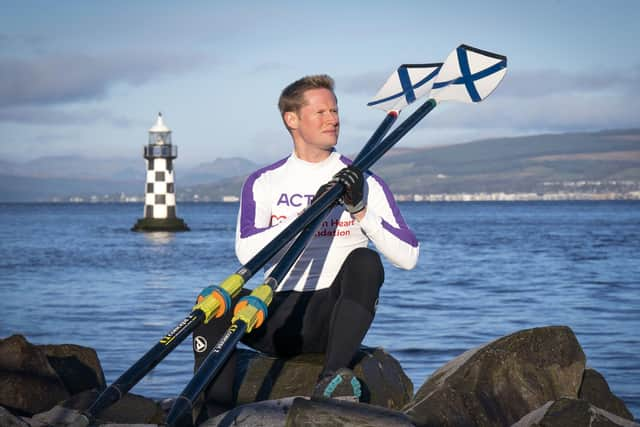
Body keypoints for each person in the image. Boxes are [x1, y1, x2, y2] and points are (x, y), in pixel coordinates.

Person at [192, 74, 419, 418]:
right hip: (277, 313)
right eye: (322, 112)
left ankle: (331, 377)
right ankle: (214, 413)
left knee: (365, 260)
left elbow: (408, 256)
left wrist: (359, 210)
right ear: (292, 119)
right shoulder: (265, 181)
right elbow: (247, 253)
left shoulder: (363, 179)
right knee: (213, 304)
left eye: (335, 110)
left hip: (331, 316)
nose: (334, 119)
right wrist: (307, 212)